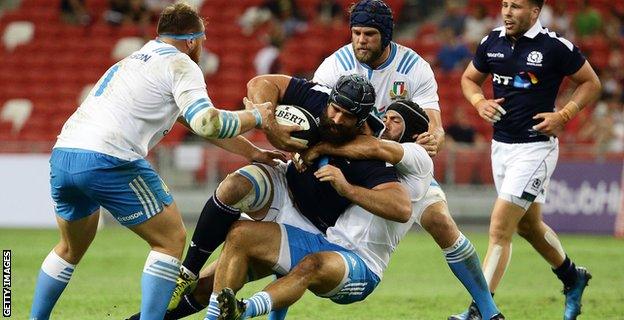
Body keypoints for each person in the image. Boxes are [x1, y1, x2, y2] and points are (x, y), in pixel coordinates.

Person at [29, 3, 281, 319]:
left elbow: (193, 122)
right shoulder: (181, 65)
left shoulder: (134, 60)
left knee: (69, 249)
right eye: (202, 40)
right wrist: (256, 116)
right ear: (193, 40)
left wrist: (252, 153)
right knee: (171, 240)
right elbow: (208, 122)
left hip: (64, 156)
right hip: (109, 159)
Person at [123, 73, 403, 320]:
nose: (337, 119)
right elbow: (261, 84)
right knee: (235, 186)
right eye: (335, 109)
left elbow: (400, 206)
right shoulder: (317, 97)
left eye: (348, 116)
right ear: (329, 100)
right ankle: (187, 271)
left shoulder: (373, 154)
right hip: (283, 184)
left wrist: (347, 187)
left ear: (363, 120)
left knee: (219, 270)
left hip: (311, 226)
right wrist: (270, 125)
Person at [214, 101, 503, 320]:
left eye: (396, 121)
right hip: (328, 241)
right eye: (385, 117)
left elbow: (378, 153)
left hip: (361, 265)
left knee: (311, 266)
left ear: (414, 133)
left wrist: (337, 174)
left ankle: (245, 309)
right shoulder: (370, 163)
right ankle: (218, 313)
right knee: (241, 233)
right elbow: (363, 147)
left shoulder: (417, 158)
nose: (386, 124)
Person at [312, 1, 501, 319]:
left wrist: (435, 137)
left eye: (369, 34)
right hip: (348, 163)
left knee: (442, 223)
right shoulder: (334, 66)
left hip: (399, 167)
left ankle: (489, 311)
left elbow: (434, 124)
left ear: (385, 35)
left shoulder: (414, 68)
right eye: (356, 33)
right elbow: (320, 122)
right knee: (299, 226)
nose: (360, 40)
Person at [458, 0, 601, 319]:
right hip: (501, 146)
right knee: (529, 226)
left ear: (535, 12)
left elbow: (591, 83)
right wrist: (479, 101)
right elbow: (469, 80)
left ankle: (480, 310)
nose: (507, 12)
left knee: (499, 228)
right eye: (505, 4)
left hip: (536, 148)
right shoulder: (491, 41)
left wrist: (564, 114)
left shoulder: (555, 47)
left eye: (517, 6)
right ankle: (573, 278)